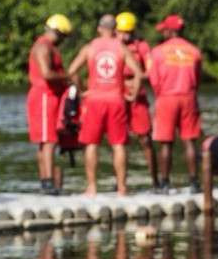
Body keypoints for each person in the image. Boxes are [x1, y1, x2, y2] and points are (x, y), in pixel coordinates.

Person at [68, 15, 144, 196]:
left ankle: (92, 187)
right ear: (115, 29)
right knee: (118, 144)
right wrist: (133, 95)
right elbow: (139, 73)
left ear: (99, 28)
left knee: (91, 143)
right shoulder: (121, 48)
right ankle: (122, 188)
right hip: (116, 99)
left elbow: (71, 71)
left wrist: (81, 90)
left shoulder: (90, 48)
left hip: (94, 99)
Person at [149, 14, 203, 192]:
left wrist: (161, 94)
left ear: (171, 31)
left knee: (166, 143)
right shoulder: (194, 51)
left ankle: (164, 183)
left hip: (166, 98)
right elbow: (198, 78)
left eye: (164, 29)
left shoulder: (157, 52)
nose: (163, 32)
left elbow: (153, 80)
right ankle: (194, 182)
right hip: (188, 97)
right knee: (189, 141)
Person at [27, 15, 73, 195]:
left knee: (46, 141)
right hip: (44, 96)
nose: (62, 41)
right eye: (62, 36)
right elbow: (46, 74)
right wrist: (68, 77)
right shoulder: (43, 46)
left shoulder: (50, 47)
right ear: (56, 32)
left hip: (50, 96)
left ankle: (47, 180)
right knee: (49, 140)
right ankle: (47, 182)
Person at [116, 12, 159, 190]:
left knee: (145, 139)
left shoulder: (141, 47)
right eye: (120, 32)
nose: (124, 36)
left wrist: (135, 79)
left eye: (127, 32)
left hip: (137, 96)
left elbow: (149, 71)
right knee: (118, 140)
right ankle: (120, 181)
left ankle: (156, 180)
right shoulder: (113, 46)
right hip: (117, 96)